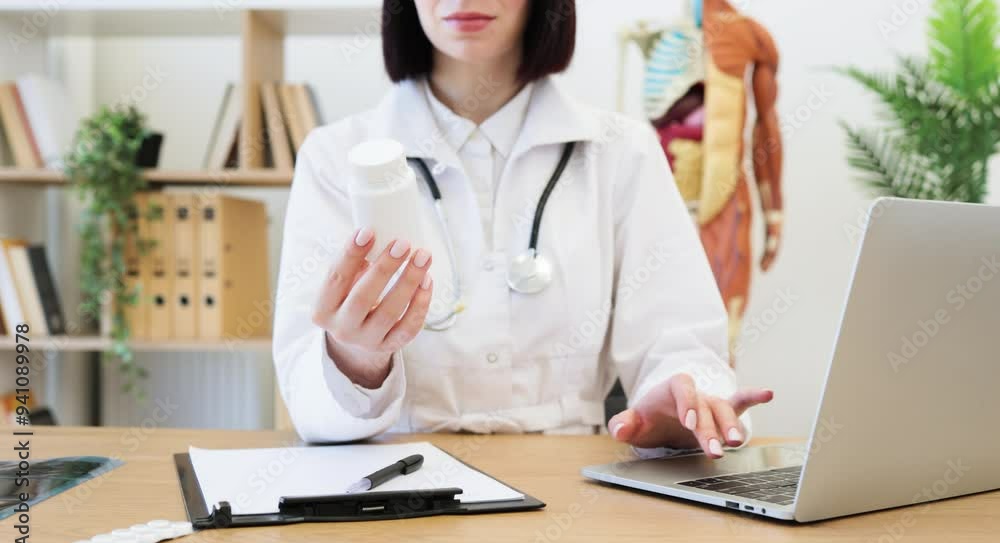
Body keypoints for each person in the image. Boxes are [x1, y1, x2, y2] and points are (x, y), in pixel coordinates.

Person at [273, 0, 773, 458]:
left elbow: (679, 342)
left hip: (568, 491)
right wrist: (356, 360)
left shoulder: (622, 152)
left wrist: (682, 398)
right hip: (395, 495)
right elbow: (310, 406)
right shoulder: (335, 156)